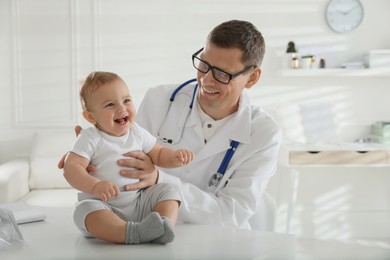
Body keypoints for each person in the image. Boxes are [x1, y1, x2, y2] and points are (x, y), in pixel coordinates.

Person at [60, 19, 281, 230]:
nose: (206, 79)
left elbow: (231, 214)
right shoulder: (160, 99)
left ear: (251, 78)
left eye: (222, 74)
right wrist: (93, 150)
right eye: (204, 64)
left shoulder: (263, 133)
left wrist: (158, 178)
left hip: (217, 239)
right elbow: (123, 157)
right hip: (143, 230)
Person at [63, 71, 194, 244]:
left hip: (139, 201)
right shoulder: (91, 137)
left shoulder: (137, 132)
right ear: (91, 117)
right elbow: (71, 168)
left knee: (168, 191)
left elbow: (159, 154)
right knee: (84, 211)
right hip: (103, 205)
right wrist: (95, 186)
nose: (121, 108)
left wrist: (175, 157)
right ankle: (132, 233)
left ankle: (162, 225)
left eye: (126, 101)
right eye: (110, 104)